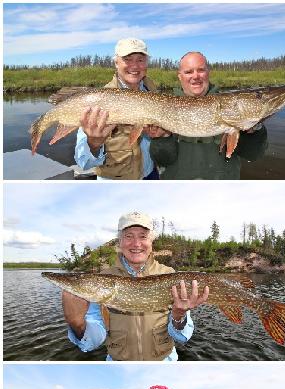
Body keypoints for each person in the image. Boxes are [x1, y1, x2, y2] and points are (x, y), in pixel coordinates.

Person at [59, 211, 209, 360]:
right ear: (120, 242)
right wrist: (76, 322)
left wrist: (178, 316)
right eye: (128, 236)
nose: (136, 244)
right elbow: (93, 342)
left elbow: (183, 337)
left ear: (151, 242)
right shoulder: (103, 279)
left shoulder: (170, 275)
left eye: (143, 236)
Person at [149, 52, 269, 179]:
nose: (195, 76)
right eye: (189, 72)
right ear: (179, 76)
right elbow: (162, 160)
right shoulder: (163, 104)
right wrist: (162, 138)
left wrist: (255, 129)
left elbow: (253, 155)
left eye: (201, 70)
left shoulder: (230, 104)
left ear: (208, 72)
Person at [74, 38, 168, 179]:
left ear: (146, 64)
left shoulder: (152, 92)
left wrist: (162, 135)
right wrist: (93, 143)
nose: (134, 66)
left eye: (140, 60)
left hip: (150, 175)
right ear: (116, 63)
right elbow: (83, 162)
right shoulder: (99, 99)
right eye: (127, 59)